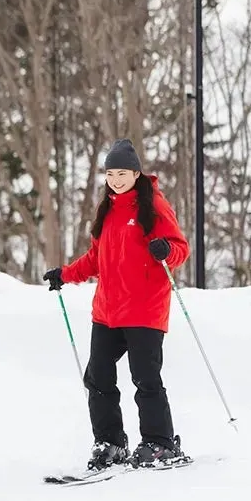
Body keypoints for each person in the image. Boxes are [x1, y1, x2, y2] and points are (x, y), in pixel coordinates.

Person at [42, 139, 190, 471]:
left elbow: (180, 248)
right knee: (98, 377)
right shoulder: (108, 209)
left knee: (145, 377)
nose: (116, 180)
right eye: (111, 173)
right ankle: (110, 443)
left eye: (122, 173)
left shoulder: (153, 207)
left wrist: (166, 249)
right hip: (107, 311)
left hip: (144, 309)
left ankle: (160, 443)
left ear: (136, 174)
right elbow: (97, 257)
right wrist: (65, 274)